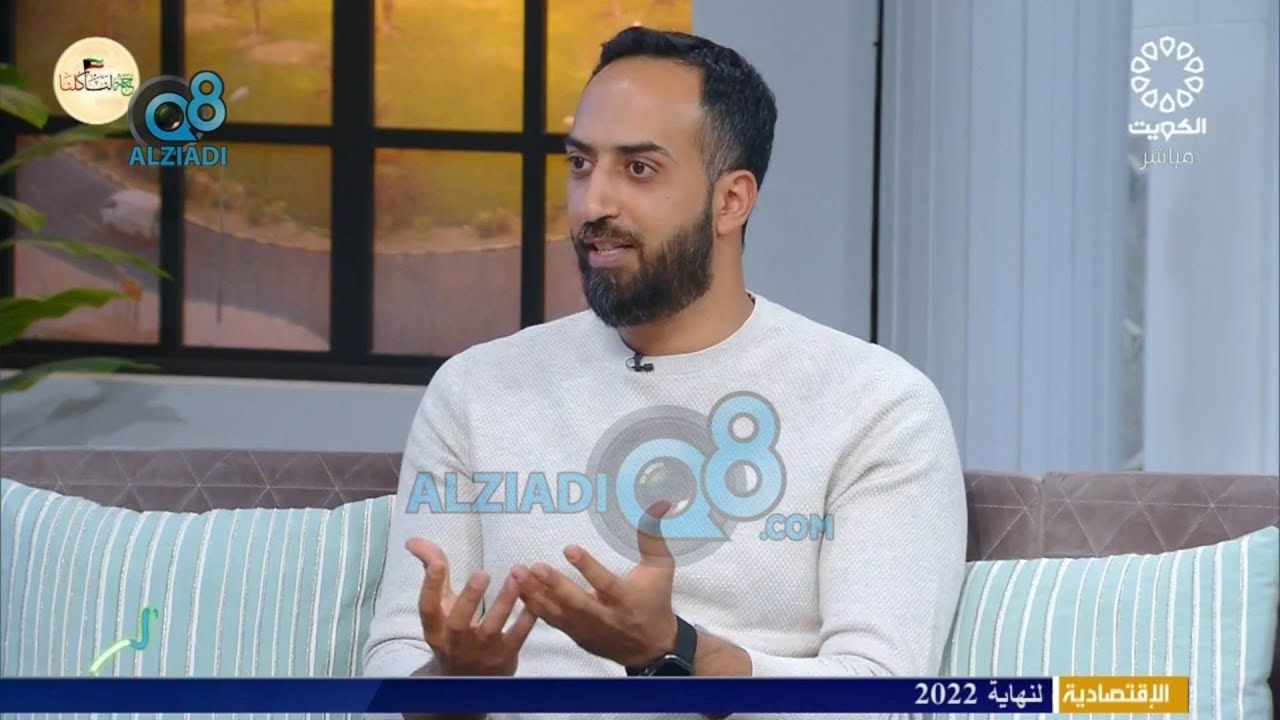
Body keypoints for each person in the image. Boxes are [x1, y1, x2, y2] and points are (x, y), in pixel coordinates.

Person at [362, 26, 967, 720]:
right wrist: (451, 683)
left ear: (731, 200)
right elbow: (392, 669)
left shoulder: (878, 405)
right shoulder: (475, 389)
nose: (593, 204)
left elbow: (882, 694)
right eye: (581, 164)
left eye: (639, 169)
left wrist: (673, 652)